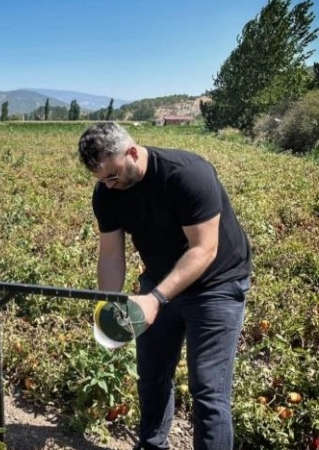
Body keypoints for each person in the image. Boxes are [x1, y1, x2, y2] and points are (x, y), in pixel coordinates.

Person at [77, 122, 252, 450]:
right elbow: (112, 255)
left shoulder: (185, 174)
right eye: (101, 179)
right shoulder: (107, 193)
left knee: (208, 392)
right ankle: (152, 445)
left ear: (131, 152)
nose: (108, 186)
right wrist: (110, 302)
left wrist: (155, 299)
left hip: (217, 285)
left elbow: (204, 249)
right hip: (159, 279)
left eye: (112, 176)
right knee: (152, 378)